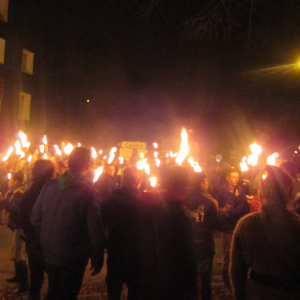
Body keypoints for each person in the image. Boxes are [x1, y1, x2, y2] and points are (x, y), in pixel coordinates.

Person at [31, 147, 105, 300]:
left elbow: (35, 219)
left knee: (54, 290)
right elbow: (95, 229)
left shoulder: (49, 186)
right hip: (74, 257)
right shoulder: (89, 193)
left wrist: (48, 237)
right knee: (67, 294)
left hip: (50, 253)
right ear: (87, 165)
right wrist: (98, 256)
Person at [230, 165, 300, 300]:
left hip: (257, 293)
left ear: (262, 192)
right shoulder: (297, 225)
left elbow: (237, 271)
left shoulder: (246, 224)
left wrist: (239, 295)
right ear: (290, 192)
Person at [140, 166, 197, 300]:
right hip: (172, 284)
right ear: (181, 187)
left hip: (148, 282)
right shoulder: (176, 213)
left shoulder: (145, 206)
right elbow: (184, 254)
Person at [102, 166, 143, 300]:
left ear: (123, 180)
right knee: (136, 291)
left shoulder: (110, 201)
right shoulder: (144, 203)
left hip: (115, 252)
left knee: (114, 289)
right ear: (137, 181)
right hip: (137, 254)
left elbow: (101, 227)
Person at [20, 159, 56, 300]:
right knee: (55, 282)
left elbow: (24, 218)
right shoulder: (53, 193)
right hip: (49, 245)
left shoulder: (28, 194)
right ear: (50, 173)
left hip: (32, 243)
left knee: (35, 281)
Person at [184, 172, 219, 300]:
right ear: (201, 183)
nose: (206, 184)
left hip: (187, 244)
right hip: (205, 245)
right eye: (205, 181)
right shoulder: (209, 203)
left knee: (188, 277)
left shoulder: (183, 201)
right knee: (205, 279)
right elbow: (215, 224)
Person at [218, 168, 249, 288]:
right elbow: (231, 212)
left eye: (237, 177)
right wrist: (240, 201)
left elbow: (244, 209)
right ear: (228, 178)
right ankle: (226, 281)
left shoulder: (240, 191)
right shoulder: (225, 193)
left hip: (238, 227)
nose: (236, 179)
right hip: (228, 229)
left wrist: (242, 201)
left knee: (238, 256)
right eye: (233, 177)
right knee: (227, 256)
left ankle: (236, 281)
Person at [0, 170, 28, 294]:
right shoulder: (14, 192)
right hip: (17, 225)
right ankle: (18, 277)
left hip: (21, 225)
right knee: (15, 250)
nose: (9, 182)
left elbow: (16, 210)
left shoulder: (19, 193)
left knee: (18, 253)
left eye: (11, 180)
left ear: (16, 181)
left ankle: (24, 285)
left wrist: (3, 201)